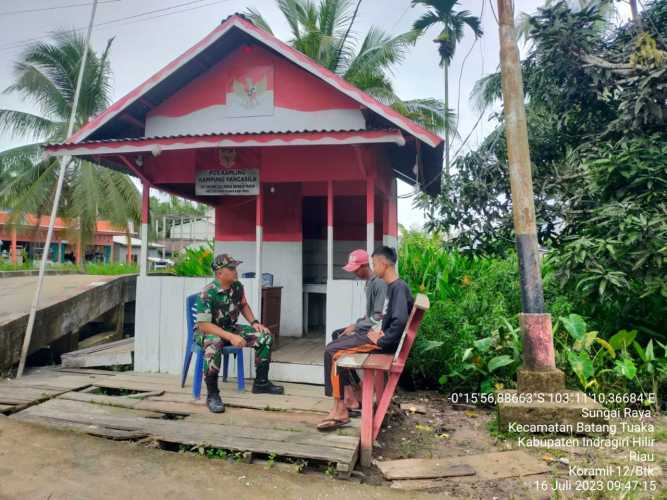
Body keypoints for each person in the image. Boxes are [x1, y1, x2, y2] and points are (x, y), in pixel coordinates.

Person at [318, 246, 413, 431]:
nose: (373, 267)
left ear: (384, 264)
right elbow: (388, 317)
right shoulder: (394, 286)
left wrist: (381, 339)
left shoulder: (397, 287)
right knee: (333, 346)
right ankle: (344, 403)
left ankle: (340, 409)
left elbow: (400, 320)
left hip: (382, 344)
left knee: (332, 351)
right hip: (377, 337)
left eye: (375, 263)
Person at [195, 253, 284, 414]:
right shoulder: (207, 293)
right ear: (219, 273)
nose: (235, 270)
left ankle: (261, 383)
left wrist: (255, 323)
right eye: (231, 268)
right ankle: (212, 395)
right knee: (213, 345)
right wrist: (230, 337)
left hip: (230, 327)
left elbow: (243, 305)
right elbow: (204, 325)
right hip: (209, 331)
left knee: (265, 336)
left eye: (235, 267)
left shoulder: (237, 286)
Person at [329, 249, 386, 415]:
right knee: (336, 334)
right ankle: (350, 390)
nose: (354, 272)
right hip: (368, 329)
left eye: (355, 269)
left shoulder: (378, 283)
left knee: (333, 349)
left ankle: (347, 396)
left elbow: (378, 317)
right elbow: (369, 314)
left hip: (374, 335)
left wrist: (357, 327)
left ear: (364, 266)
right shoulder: (369, 282)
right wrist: (355, 324)